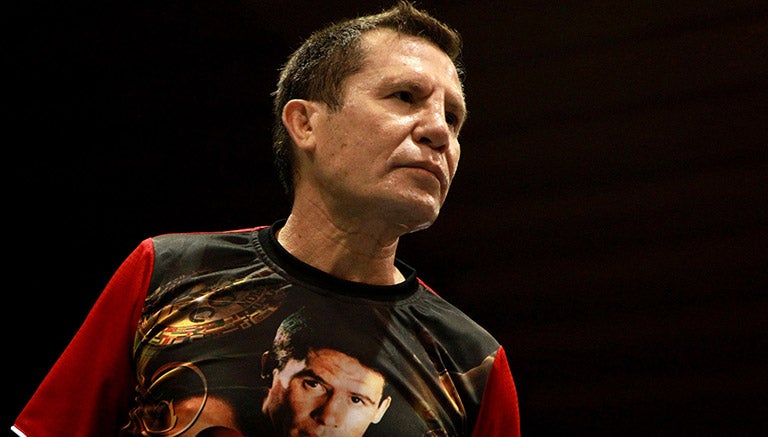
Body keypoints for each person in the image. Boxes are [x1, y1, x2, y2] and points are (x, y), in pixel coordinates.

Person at [11, 1, 521, 436]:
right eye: (405, 97)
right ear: (305, 123)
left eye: (453, 118)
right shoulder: (167, 272)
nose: (439, 132)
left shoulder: (473, 364)